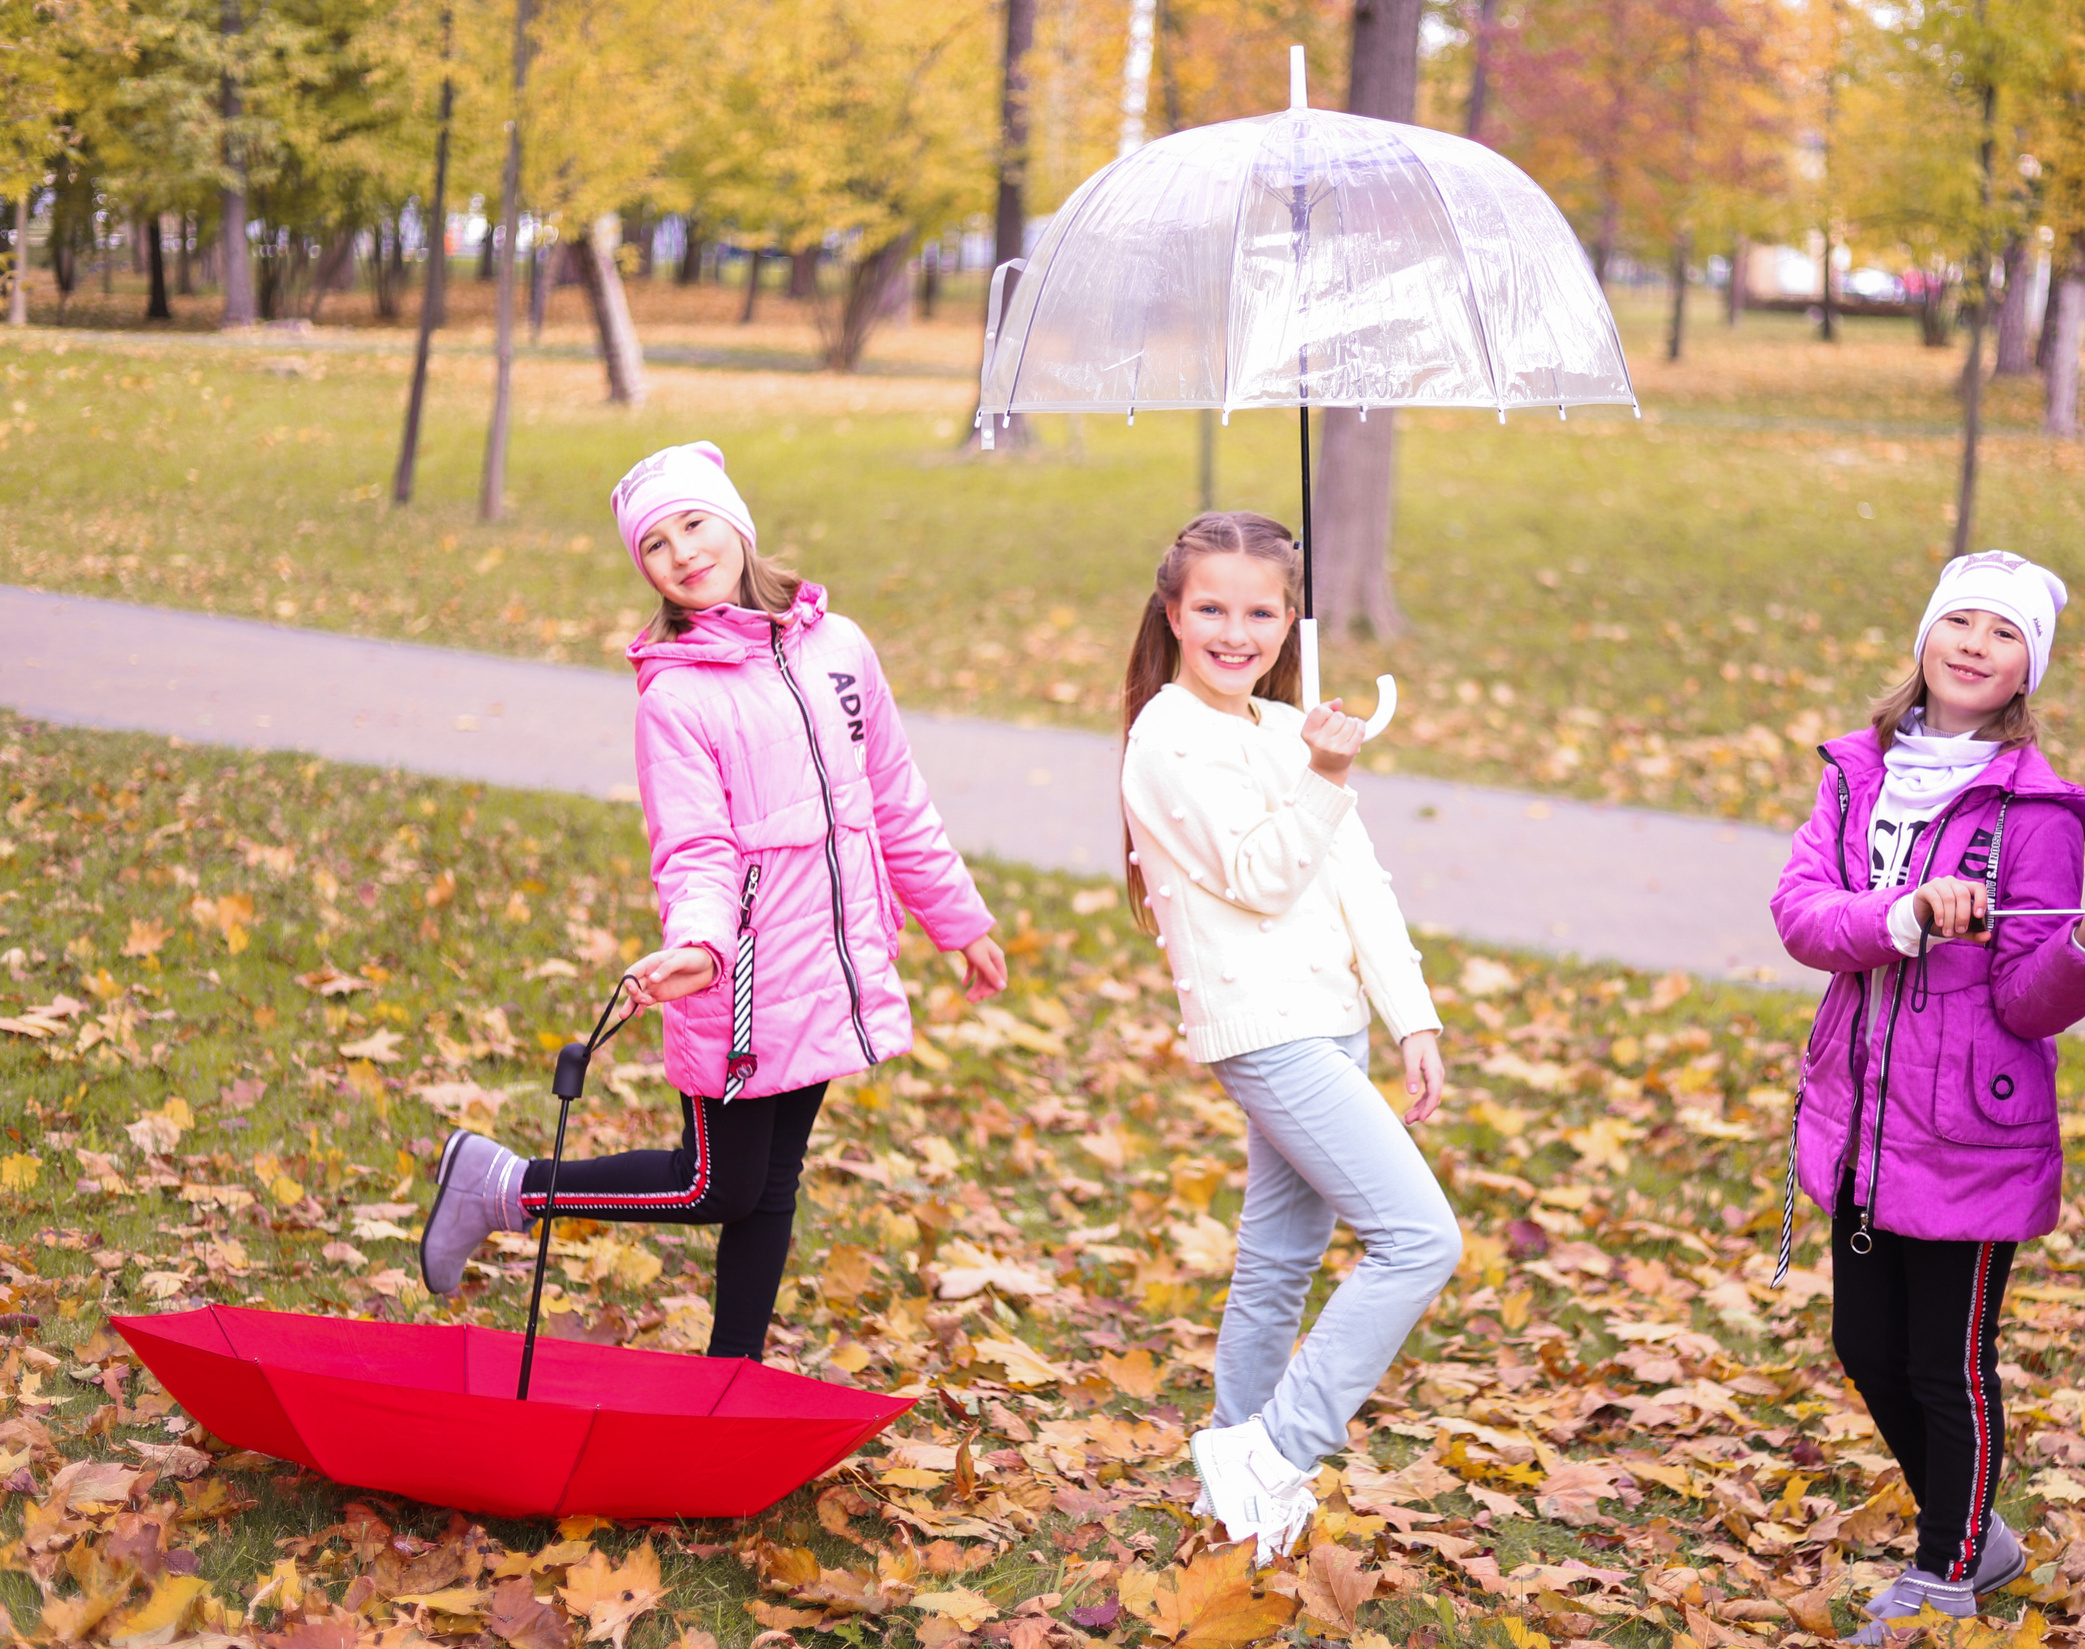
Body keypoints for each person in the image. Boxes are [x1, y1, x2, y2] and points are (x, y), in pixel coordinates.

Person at [418, 441, 1008, 1360]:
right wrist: (700, 943)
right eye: (655, 543)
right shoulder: (677, 695)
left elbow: (893, 792)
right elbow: (693, 845)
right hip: (738, 977)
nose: (682, 552)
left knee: (773, 1184)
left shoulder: (840, 648)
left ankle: (732, 1377)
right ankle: (504, 1186)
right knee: (713, 1184)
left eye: (694, 522)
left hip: (828, 964)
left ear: (736, 520)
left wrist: (958, 918)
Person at [1767, 551, 2085, 1645]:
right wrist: (1903, 912)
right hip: (1863, 1117)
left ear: (2026, 668)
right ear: (1925, 637)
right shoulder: (1856, 774)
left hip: (1968, 1134)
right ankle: (1976, 1533)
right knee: (1866, 1346)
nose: (1976, 645)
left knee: (1945, 1365)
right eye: (1961, 621)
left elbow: (2028, 1001)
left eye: (2005, 633)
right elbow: (1803, 915)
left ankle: (1947, 1572)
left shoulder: (2036, 811)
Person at [1118, 512, 1457, 1565]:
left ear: (1290, 620)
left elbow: (1357, 882)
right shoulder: (1166, 739)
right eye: (1211, 609)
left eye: (1261, 612)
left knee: (1278, 1260)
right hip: (1269, 1034)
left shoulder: (1283, 727)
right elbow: (1262, 879)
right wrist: (1322, 775)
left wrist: (1411, 1014)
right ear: (1173, 613)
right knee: (1421, 1239)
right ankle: (1275, 1450)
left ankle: (1234, 1496)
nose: (1236, 632)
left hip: (1331, 1023)